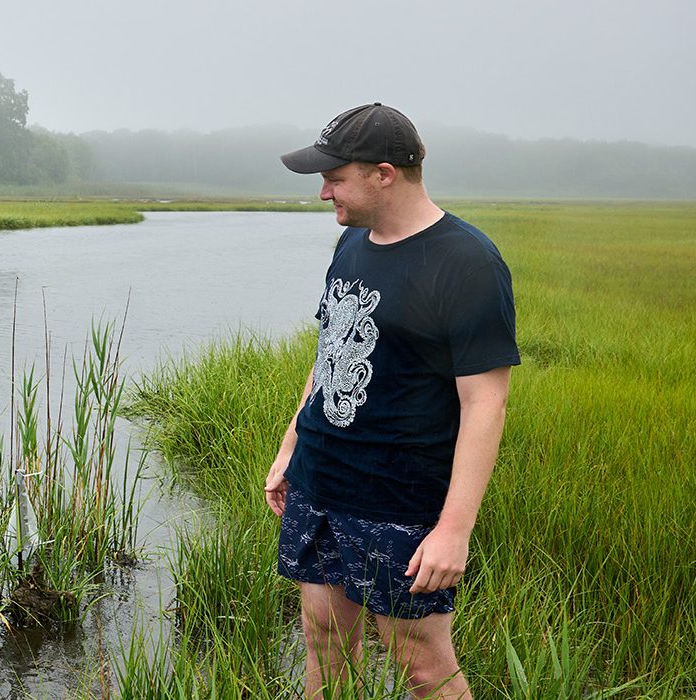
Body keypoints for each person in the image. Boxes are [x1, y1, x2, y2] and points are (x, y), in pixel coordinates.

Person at [266, 103, 520, 700]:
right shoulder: (351, 244)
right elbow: (328, 355)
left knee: (423, 665)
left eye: (335, 177)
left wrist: (455, 529)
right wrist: (289, 452)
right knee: (324, 638)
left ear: (385, 173)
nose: (324, 191)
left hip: (401, 501)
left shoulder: (467, 261)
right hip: (319, 482)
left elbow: (486, 402)